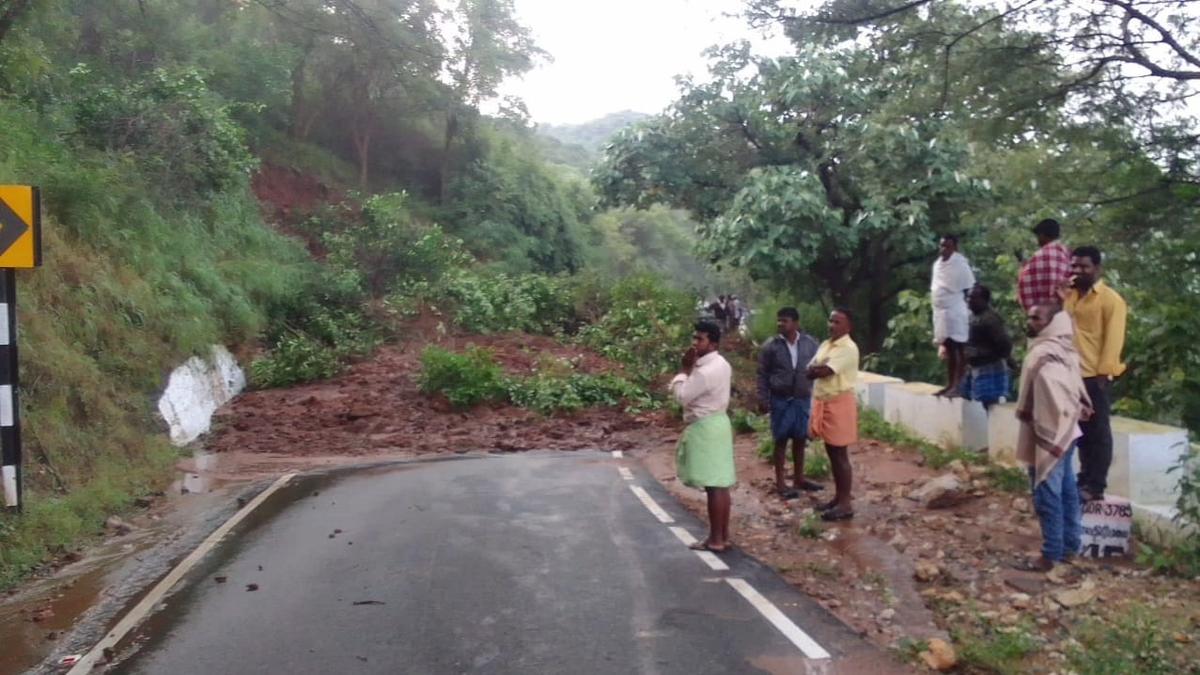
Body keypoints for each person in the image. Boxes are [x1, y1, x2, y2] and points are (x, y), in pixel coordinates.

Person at [1014, 304, 1093, 571]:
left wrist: (1049, 424)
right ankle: (1070, 546)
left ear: (1050, 323)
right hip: (1069, 428)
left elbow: (1052, 392)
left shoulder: (1043, 354)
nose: (1031, 320)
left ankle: (1051, 554)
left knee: (1047, 490)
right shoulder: (1064, 350)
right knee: (1068, 490)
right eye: (1030, 316)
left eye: (1037, 317)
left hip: (1054, 430)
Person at [1059, 246, 1127, 502]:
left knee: (1098, 433)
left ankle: (1096, 485)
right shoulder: (1069, 295)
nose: (1077, 271)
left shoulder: (1111, 300)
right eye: (1074, 266)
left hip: (1092, 376)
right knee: (1078, 431)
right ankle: (1083, 479)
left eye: (1084, 266)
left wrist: (1102, 377)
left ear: (1097, 268)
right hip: (1068, 374)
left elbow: (1114, 340)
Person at [670, 320, 736, 552]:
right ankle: (721, 536)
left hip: (705, 427)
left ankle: (716, 539)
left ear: (713, 343)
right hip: (719, 423)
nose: (695, 343)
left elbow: (683, 396)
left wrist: (683, 371)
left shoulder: (703, 372)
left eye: (700, 339)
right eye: (694, 338)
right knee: (720, 484)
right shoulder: (722, 364)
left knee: (713, 486)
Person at [757, 307, 821, 499]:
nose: (780, 324)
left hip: (802, 398)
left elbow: (818, 368)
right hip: (780, 399)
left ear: (795, 323)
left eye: (784, 321)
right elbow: (762, 374)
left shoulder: (810, 344)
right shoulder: (771, 346)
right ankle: (780, 482)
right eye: (779, 321)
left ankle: (799, 478)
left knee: (800, 439)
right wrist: (762, 398)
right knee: (781, 439)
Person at [806, 308, 860, 521]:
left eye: (837, 322)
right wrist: (816, 369)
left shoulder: (847, 348)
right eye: (830, 320)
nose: (832, 325)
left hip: (839, 403)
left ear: (847, 327)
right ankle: (838, 497)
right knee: (832, 451)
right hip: (824, 402)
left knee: (840, 453)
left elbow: (823, 372)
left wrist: (817, 369)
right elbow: (810, 369)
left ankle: (845, 503)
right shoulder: (826, 344)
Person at [931, 235, 976, 396]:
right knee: (949, 348)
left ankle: (958, 386)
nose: (943, 249)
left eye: (947, 246)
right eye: (941, 246)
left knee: (959, 349)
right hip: (941, 313)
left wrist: (969, 310)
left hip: (956, 310)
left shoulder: (961, 265)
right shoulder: (937, 265)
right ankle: (950, 384)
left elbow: (969, 288)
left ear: (954, 248)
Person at [960, 284, 1014, 410]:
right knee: (974, 401)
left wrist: (999, 357)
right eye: (968, 297)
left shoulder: (990, 319)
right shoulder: (973, 316)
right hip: (975, 367)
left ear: (984, 300)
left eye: (973, 298)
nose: (969, 301)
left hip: (989, 367)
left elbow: (1004, 343)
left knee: (989, 404)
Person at [1018, 218, 1072, 312]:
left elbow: (1025, 282)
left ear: (1042, 235)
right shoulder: (1068, 255)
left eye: (1038, 236)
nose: (1038, 240)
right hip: (1065, 312)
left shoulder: (1039, 256)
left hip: (1042, 315)